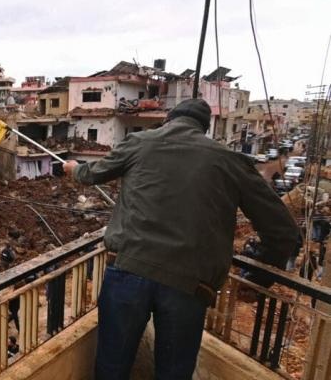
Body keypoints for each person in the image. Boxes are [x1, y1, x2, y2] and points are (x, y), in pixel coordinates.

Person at [63, 99, 298, 380]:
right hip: (189, 286)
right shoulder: (230, 160)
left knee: (111, 368)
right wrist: (258, 278)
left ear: (169, 120)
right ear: (204, 127)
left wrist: (73, 168)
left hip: (128, 271)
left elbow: (91, 174)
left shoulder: (139, 143)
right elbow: (283, 231)